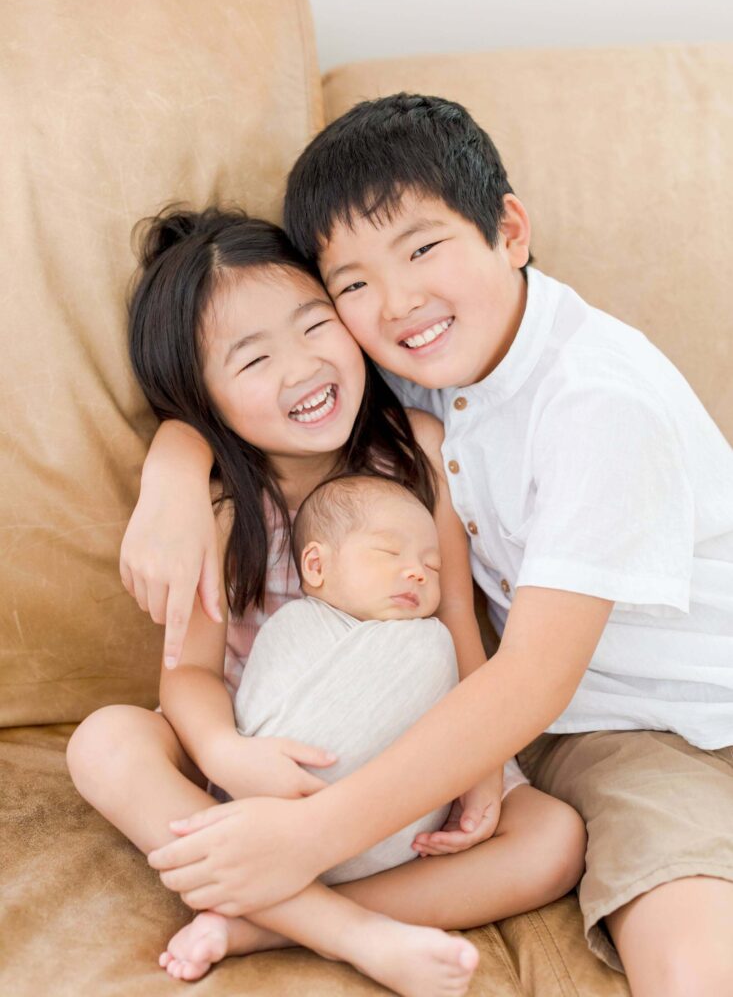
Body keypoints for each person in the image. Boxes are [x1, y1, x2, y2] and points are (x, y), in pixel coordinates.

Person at [132, 94, 733, 995]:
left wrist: (311, 835)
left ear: (510, 230)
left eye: (421, 248)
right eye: (353, 284)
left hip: (669, 713)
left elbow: (520, 672)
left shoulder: (587, 402)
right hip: (573, 727)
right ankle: (321, 919)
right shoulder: (410, 350)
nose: (396, 301)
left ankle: (279, 917)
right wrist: (174, 468)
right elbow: (235, 378)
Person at [67, 207, 585, 996]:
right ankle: (351, 934)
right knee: (104, 741)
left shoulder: (416, 451)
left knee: (552, 839)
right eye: (251, 360)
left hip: (410, 766)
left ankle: (263, 919)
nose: (301, 367)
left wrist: (482, 760)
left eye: (315, 325)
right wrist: (225, 753)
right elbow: (191, 676)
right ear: (198, 399)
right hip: (263, 768)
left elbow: (453, 621)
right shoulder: (220, 508)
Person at [236, 473, 528, 886]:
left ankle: (303, 886)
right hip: (274, 794)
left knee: (431, 645)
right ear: (316, 566)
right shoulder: (293, 625)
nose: (418, 573)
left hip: (383, 834)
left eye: (432, 565)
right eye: (389, 552)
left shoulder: (429, 645)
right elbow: (258, 719)